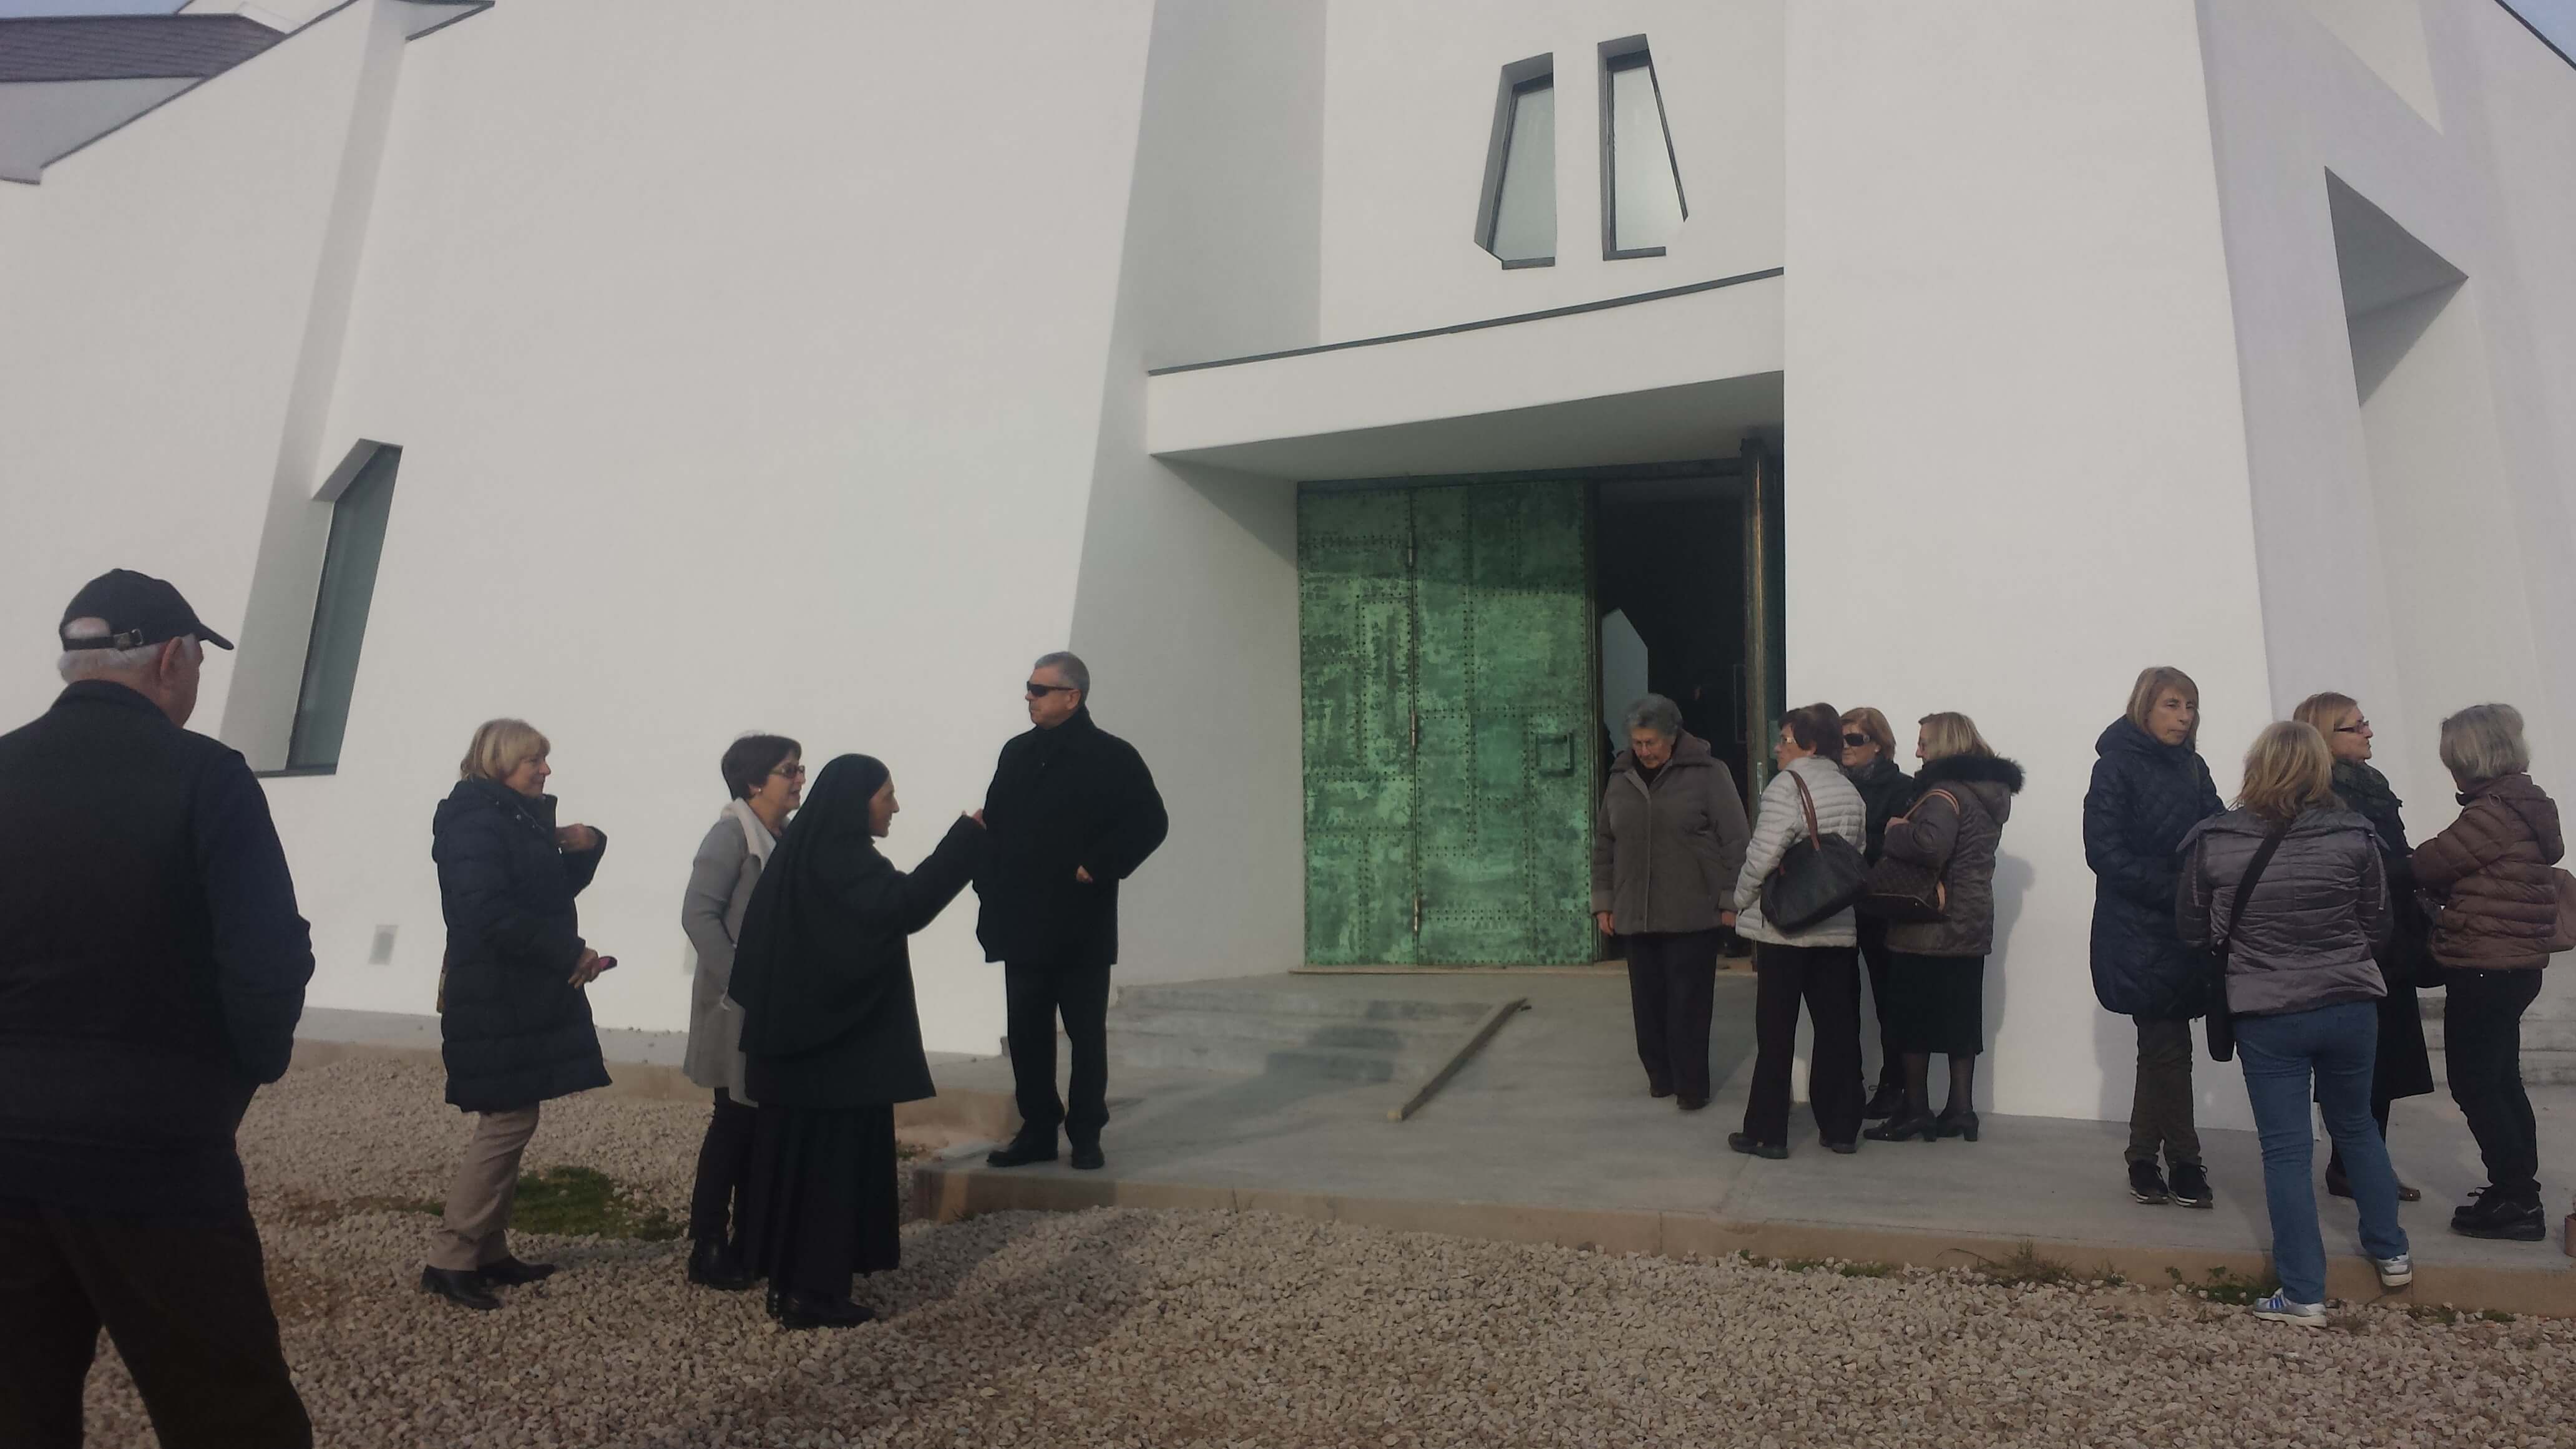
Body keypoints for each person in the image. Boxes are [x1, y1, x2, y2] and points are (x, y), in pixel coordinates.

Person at [0, 572, 316, 1447]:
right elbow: (269, 960)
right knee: (228, 1408)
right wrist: (237, 1078)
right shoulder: (204, 774)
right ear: (174, 657)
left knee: (17, 1405)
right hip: (152, 1152)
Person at [728, 755, 983, 1328]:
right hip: (832, 1056)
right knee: (829, 1172)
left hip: (805, 1050)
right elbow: (905, 907)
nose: (895, 806)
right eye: (886, 795)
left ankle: (795, 1284)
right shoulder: (841, 859)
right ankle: (813, 1293)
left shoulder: (809, 853)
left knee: (798, 1167)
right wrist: (968, 837)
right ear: (856, 801)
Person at [2178, 721, 2408, 1325]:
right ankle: (2392, 1251)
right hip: (2349, 1002)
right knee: (2356, 1126)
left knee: (2285, 1151)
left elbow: (2192, 927)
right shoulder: (2357, 835)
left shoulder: (2215, 840)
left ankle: (2304, 1292)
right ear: (2318, 769)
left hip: (2266, 1009)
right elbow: (2379, 923)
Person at [422, 719, 615, 1312]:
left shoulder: (511, 819)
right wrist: (568, 952)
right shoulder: (474, 821)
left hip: (516, 990)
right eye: (535, 760)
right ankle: (451, 1256)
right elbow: (487, 913)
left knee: (515, 1115)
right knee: (506, 1121)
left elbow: (546, 894)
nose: (546, 770)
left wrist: (590, 845)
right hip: (494, 992)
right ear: (502, 761)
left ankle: (489, 1250)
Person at [976, 651, 1169, 1172]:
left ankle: (1086, 1133)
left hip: (1080, 923)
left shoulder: (1112, 756)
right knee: (1027, 1033)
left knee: (1085, 1034)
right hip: (1021, 921)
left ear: (1072, 696)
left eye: (1039, 689)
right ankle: (1038, 1129)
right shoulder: (1016, 753)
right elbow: (995, 823)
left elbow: (1151, 822)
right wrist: (987, 886)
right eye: (1029, 688)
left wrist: (1100, 864)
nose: (1029, 697)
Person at [2411, 703, 2564, 1242]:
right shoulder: (2527, 805)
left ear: (2470, 759)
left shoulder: (2490, 815)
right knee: (2502, 1079)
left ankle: (2517, 1200)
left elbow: (2429, 864)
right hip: (2518, 966)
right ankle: (2519, 1186)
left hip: (2484, 966)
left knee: (2475, 1082)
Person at [2085, 665, 2224, 1211]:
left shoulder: (2195, 767)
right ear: (2145, 706)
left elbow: (2214, 831)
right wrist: (2176, 887)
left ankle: (2143, 1158)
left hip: (2184, 928)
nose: (2184, 717)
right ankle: (2186, 1164)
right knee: (2171, 1048)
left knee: (2160, 1050)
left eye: (2190, 707)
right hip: (2136, 930)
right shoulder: (2114, 768)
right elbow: (2104, 853)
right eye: (2172, 705)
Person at [2293, 693, 2433, 1203]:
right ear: (2325, 738)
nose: (2369, 732)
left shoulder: (2372, 785)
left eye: (2365, 723)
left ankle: (2359, 1165)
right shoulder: (2319, 794)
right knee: (2356, 1063)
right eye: (2356, 727)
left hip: (2392, 944)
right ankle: (2354, 1165)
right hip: (2350, 946)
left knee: (2386, 1063)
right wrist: (2418, 867)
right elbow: (2348, 871)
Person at [677, 733, 802, 1292]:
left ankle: (753, 1240)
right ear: (755, 783)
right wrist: (744, 979)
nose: (799, 778)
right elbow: (698, 915)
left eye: (799, 768)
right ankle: (707, 1244)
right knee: (733, 1121)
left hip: (778, 1003)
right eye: (788, 770)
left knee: (761, 1123)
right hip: (736, 1007)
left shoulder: (786, 836)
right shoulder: (731, 835)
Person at [1863, 713, 2022, 1144]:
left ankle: (1915, 1111)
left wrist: (1896, 830)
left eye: (1924, 743)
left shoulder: (1943, 793)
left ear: (1945, 745)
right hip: (1970, 922)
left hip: (1927, 924)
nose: (1918, 752)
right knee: (1960, 1021)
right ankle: (1961, 1111)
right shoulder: (1989, 794)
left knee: (1912, 1020)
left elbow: (1931, 846)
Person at [1593, 694, 1752, 1111]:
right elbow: (1604, 844)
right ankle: (1659, 1077)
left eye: (1651, 743)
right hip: (1635, 912)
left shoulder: (1709, 774)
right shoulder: (1620, 776)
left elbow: (1736, 840)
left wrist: (1731, 899)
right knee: (1647, 1005)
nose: (1644, 751)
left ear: (1673, 736)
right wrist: (1604, 901)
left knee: (1689, 1005)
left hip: (1692, 910)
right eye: (1638, 743)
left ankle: (1691, 1086)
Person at [1729, 702, 1870, 1158]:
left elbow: (1764, 854)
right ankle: (1842, 1128)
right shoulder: (1850, 790)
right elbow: (1855, 856)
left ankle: (1768, 1132)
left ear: (1808, 745)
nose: (1777, 748)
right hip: (1835, 927)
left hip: (1786, 929)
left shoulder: (1787, 786)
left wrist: (1739, 900)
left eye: (1785, 739)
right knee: (1838, 1029)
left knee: (1776, 1033)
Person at [1840, 705, 1916, 1120]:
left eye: (1856, 739)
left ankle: (1894, 1084)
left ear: (1879, 745)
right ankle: (1847, 1082)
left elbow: (1899, 844)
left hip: (1881, 906)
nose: (1846, 747)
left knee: (1890, 1001)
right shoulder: (1836, 785)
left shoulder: (1902, 787)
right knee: (1841, 998)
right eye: (1842, 739)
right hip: (1841, 905)